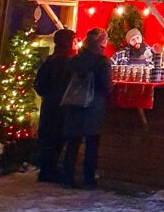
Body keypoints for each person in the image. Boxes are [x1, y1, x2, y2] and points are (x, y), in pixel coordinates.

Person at [61, 28, 112, 188]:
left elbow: (65, 80)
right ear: (101, 42)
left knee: (73, 143)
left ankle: (67, 178)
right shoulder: (102, 62)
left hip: (74, 104)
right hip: (93, 106)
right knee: (91, 144)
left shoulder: (74, 60)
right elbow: (106, 85)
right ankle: (88, 179)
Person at [33, 28, 76, 183]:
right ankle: (52, 171)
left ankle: (46, 170)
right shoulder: (71, 62)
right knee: (59, 137)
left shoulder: (50, 61)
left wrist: (47, 94)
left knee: (47, 138)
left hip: (50, 105)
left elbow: (39, 84)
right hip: (63, 106)